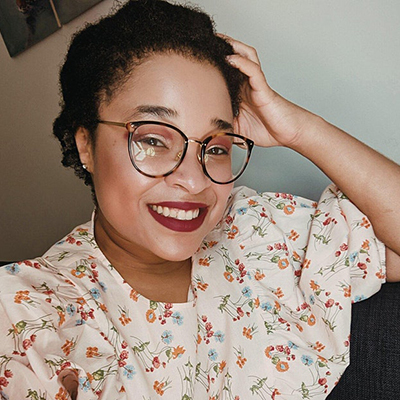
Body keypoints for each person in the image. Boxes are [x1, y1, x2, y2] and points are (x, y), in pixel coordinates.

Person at [1, 0, 399, 399]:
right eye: (153, 140)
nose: (193, 181)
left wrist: (299, 129)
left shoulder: (260, 231)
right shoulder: (35, 312)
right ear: (84, 144)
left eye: (216, 146)